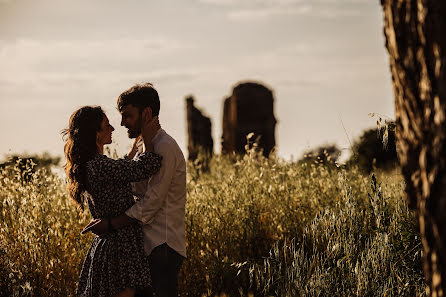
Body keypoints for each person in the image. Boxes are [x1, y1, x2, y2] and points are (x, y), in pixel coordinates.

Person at [83, 83, 187, 297]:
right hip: (144, 247)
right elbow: (126, 179)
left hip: (162, 245)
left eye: (128, 116)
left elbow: (150, 204)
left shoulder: (164, 147)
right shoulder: (144, 147)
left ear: (147, 113)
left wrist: (111, 224)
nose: (121, 123)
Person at [63, 105, 162, 297]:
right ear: (96, 134)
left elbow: (120, 169)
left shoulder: (93, 165)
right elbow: (148, 165)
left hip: (110, 245)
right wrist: (148, 136)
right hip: (120, 248)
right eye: (107, 125)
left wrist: (134, 148)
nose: (113, 129)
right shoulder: (100, 166)